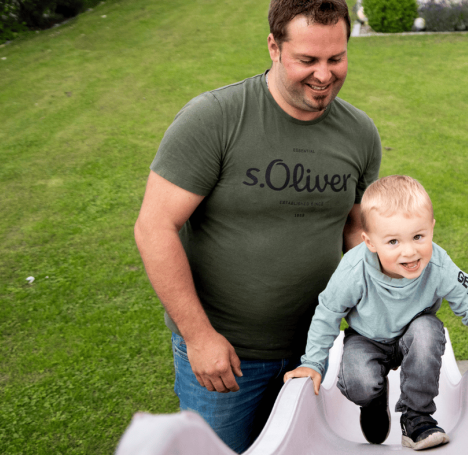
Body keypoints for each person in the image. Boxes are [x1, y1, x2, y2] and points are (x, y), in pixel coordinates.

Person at [133, 0, 381, 452]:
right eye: (307, 60)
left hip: (315, 353)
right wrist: (198, 336)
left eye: (336, 58)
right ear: (273, 46)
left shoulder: (360, 133)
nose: (324, 75)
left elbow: (355, 230)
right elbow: (154, 227)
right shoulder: (215, 118)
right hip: (226, 359)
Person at [283, 175, 468, 451]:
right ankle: (373, 400)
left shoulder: (438, 265)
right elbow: (328, 313)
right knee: (360, 384)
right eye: (393, 241)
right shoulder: (355, 271)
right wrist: (313, 363)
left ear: (432, 229)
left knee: (428, 330)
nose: (410, 252)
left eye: (418, 236)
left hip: (414, 334)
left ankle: (417, 419)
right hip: (366, 338)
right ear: (370, 242)